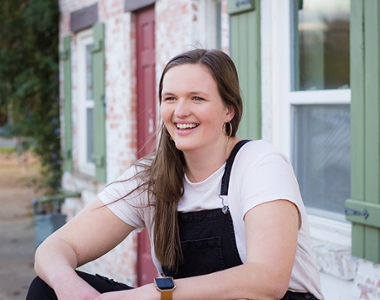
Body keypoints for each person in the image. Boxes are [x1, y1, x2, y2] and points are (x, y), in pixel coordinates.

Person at [26, 49, 324, 300]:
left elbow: (268, 279)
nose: (180, 111)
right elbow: (53, 249)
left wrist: (154, 294)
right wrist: (70, 287)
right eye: (170, 98)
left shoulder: (259, 163)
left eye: (197, 98)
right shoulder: (151, 178)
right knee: (45, 289)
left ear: (228, 111)